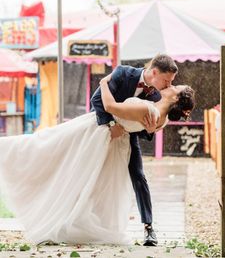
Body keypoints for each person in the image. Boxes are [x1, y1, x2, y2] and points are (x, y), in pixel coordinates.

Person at [0, 77, 194, 246]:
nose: (171, 85)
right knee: (92, 181)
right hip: (116, 144)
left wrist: (103, 84)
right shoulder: (162, 119)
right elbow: (138, 127)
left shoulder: (149, 108)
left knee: (49, 144)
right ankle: (75, 220)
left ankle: (8, 150)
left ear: (176, 97)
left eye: (175, 87)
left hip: (98, 132)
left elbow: (110, 107)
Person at [90, 54, 178, 246]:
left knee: (139, 176)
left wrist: (150, 130)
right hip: (100, 131)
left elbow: (144, 128)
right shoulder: (123, 73)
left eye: (171, 82)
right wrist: (111, 124)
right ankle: (81, 219)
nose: (168, 85)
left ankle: (149, 228)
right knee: (90, 175)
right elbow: (96, 100)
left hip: (128, 138)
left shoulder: (157, 95)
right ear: (154, 72)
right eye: (166, 80)